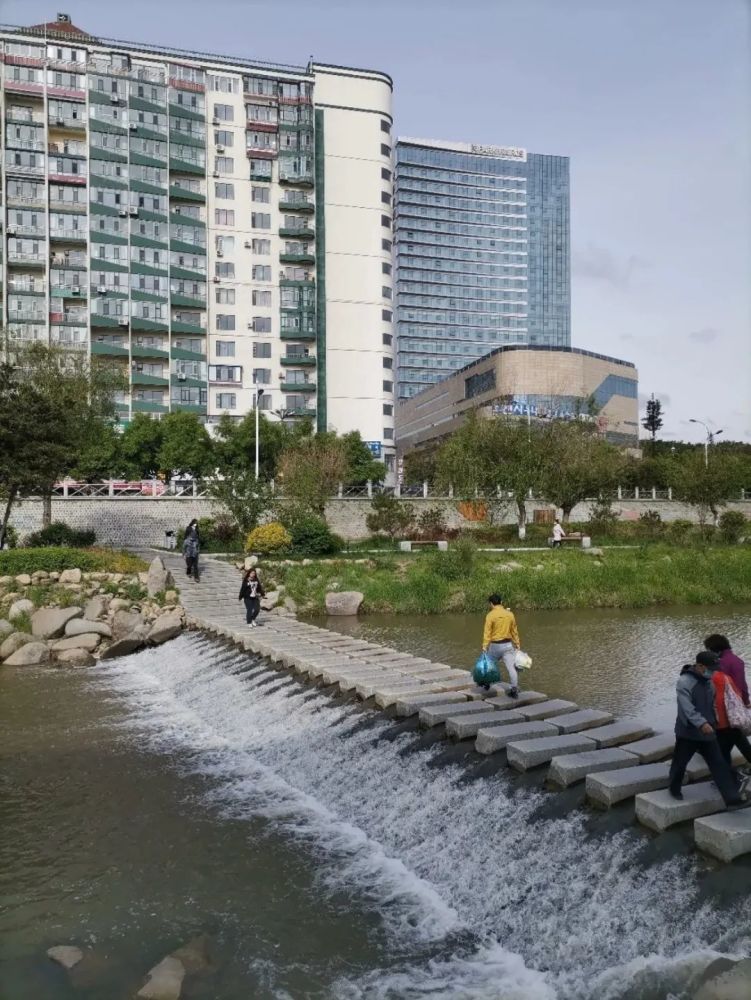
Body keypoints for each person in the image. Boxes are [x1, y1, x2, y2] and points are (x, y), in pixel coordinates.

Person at [668, 651, 747, 807]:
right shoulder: (684, 682)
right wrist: (701, 723)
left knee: (719, 764)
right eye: (711, 669)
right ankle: (674, 788)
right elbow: (687, 708)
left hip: (709, 732)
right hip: (688, 733)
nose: (713, 672)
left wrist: (714, 722)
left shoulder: (709, 682)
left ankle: (732, 799)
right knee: (680, 763)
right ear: (700, 666)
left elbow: (712, 705)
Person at [710, 661, 751, 770]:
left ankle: (728, 775)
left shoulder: (709, 680)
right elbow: (737, 694)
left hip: (720, 723)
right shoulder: (726, 677)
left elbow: (712, 701)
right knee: (743, 745)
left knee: (723, 751)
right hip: (733, 719)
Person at [482, 594, 521, 699]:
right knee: (512, 669)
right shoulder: (510, 614)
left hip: (495, 646)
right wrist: (517, 644)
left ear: (491, 604)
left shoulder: (490, 615)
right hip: (508, 645)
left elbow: (487, 633)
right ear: (501, 602)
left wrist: (485, 646)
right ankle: (514, 690)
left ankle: (487, 684)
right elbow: (514, 631)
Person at [704, 634, 749, 706]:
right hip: (739, 700)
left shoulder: (720, 663)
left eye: (709, 650)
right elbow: (742, 684)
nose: (709, 653)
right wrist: (746, 701)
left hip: (727, 702)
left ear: (716, 649)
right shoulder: (738, 660)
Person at [182, 518, 200, 583]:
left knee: (195, 566)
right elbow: (183, 547)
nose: (196, 524)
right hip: (189, 553)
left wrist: (198, 552)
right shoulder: (187, 540)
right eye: (195, 523)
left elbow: (198, 546)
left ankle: (196, 577)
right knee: (189, 565)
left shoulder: (196, 540)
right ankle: (188, 572)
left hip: (195, 553)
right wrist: (184, 554)